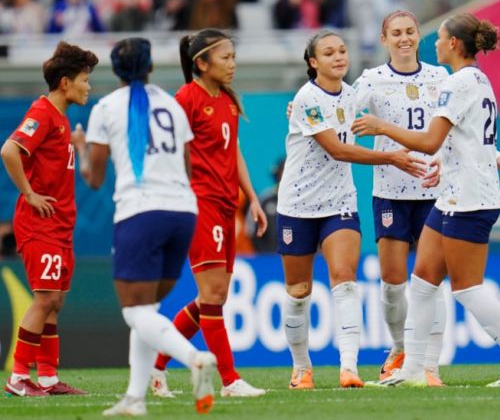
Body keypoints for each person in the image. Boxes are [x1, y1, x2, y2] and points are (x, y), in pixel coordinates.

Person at [353, 13, 500, 388]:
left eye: (439, 37)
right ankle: (413, 370)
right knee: (423, 282)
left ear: (454, 44)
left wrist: (381, 127)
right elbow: (472, 138)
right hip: (452, 195)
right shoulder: (476, 78)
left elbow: (429, 142)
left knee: (466, 287)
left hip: (470, 198)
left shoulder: (455, 82)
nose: (434, 42)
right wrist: (496, 155)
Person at [73, 37, 217, 416]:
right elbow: (187, 168)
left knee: (135, 312)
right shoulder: (171, 104)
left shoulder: (106, 108)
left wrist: (81, 147)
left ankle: (194, 359)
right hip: (183, 211)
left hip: (141, 212)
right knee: (148, 308)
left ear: (115, 69)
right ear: (150, 66)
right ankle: (135, 399)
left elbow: (92, 178)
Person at [278, 29, 427, 390]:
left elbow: (385, 105)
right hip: (298, 204)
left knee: (345, 279)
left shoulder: (353, 94)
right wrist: (390, 156)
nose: (338, 57)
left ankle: (349, 369)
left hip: (340, 202)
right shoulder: (307, 98)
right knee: (298, 290)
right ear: (313, 62)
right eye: (328, 53)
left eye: (342, 50)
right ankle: (302, 368)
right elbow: (338, 150)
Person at [150, 28, 268, 398]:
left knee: (209, 300)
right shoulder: (185, 99)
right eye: (225, 58)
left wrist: (252, 198)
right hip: (198, 205)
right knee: (213, 295)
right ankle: (230, 381)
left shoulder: (228, 100)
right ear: (201, 63)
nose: (232, 64)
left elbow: (233, 153)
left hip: (224, 205)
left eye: (233, 57)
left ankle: (156, 370)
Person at [0, 41, 97, 397]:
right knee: (44, 300)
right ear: (65, 83)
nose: (89, 86)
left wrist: (79, 148)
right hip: (39, 223)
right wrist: (28, 193)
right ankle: (18, 377)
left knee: (55, 302)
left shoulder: (59, 119)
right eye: (85, 79)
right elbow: (9, 150)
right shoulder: (42, 113)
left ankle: (48, 378)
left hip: (60, 225)